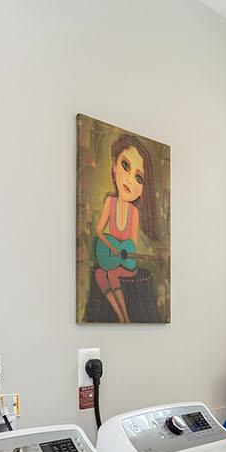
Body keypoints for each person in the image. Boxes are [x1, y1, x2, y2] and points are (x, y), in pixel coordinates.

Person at [92, 136, 149, 323]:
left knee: (112, 273)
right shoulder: (110, 202)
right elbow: (99, 231)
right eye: (126, 166)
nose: (130, 181)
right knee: (100, 273)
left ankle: (125, 317)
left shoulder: (134, 213)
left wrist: (123, 255)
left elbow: (131, 247)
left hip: (125, 265)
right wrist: (112, 247)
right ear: (114, 166)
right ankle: (119, 313)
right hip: (111, 258)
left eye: (138, 177)